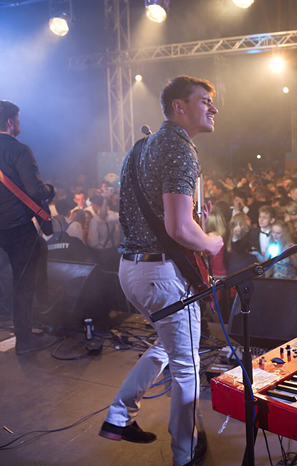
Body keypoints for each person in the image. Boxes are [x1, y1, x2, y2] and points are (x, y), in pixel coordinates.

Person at [99, 75, 222, 466]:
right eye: (205, 100)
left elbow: (147, 217)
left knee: (168, 347)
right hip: (161, 276)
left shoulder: (140, 147)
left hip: (132, 272)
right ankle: (184, 454)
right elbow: (179, 229)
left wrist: (193, 225)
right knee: (187, 367)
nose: (214, 108)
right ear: (179, 107)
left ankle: (119, 415)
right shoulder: (180, 148)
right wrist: (210, 241)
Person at [0, 100, 58, 354]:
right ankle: (25, 340)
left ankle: (41, 304)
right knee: (23, 282)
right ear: (10, 122)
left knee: (38, 249)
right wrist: (51, 190)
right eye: (18, 119)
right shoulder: (20, 150)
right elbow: (35, 190)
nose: (19, 123)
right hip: (16, 228)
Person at [87, 194, 122, 272]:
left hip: (102, 254)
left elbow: (93, 242)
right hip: (116, 251)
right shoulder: (116, 215)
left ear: (96, 205)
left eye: (92, 206)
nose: (92, 208)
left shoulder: (95, 220)